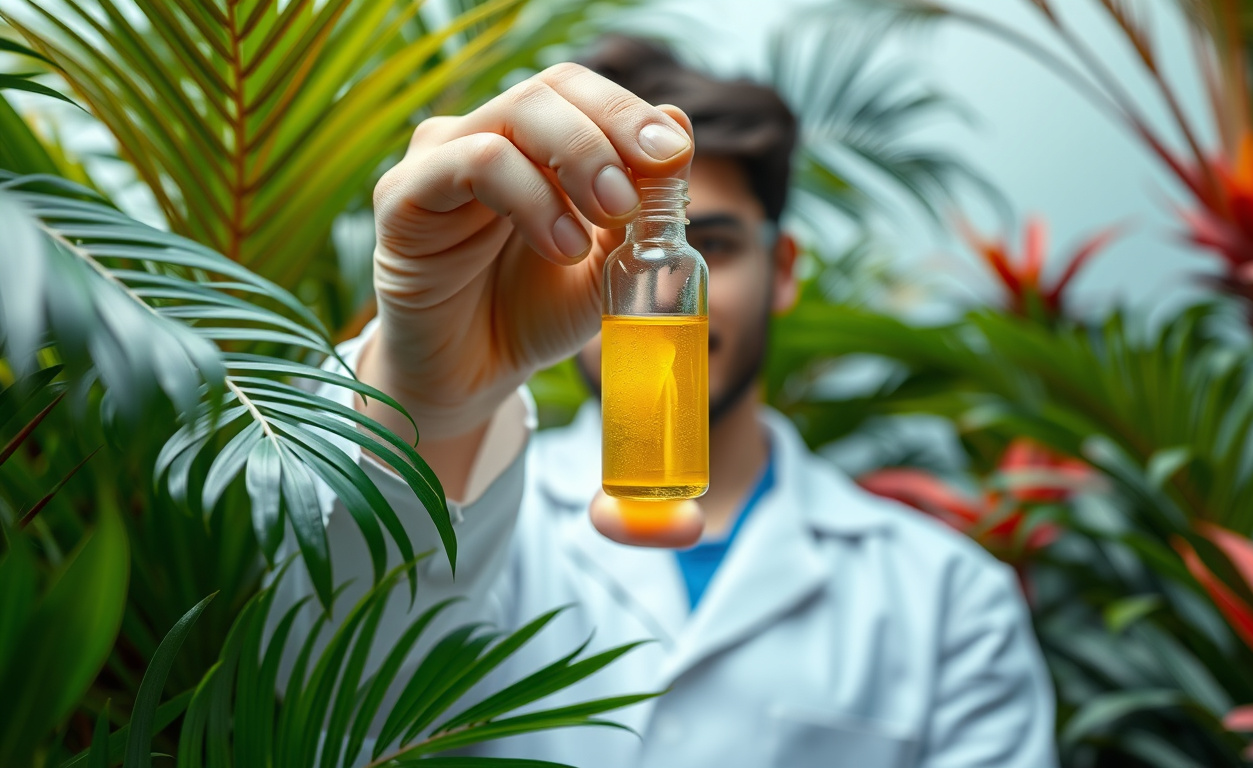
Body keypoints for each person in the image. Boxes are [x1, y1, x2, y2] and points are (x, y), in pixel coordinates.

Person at [285, 36, 1057, 767]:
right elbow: (325, 697)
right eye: (611, 250)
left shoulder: (948, 598)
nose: (660, 301)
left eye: (714, 244)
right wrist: (431, 400)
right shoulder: (488, 522)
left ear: (782, 268)